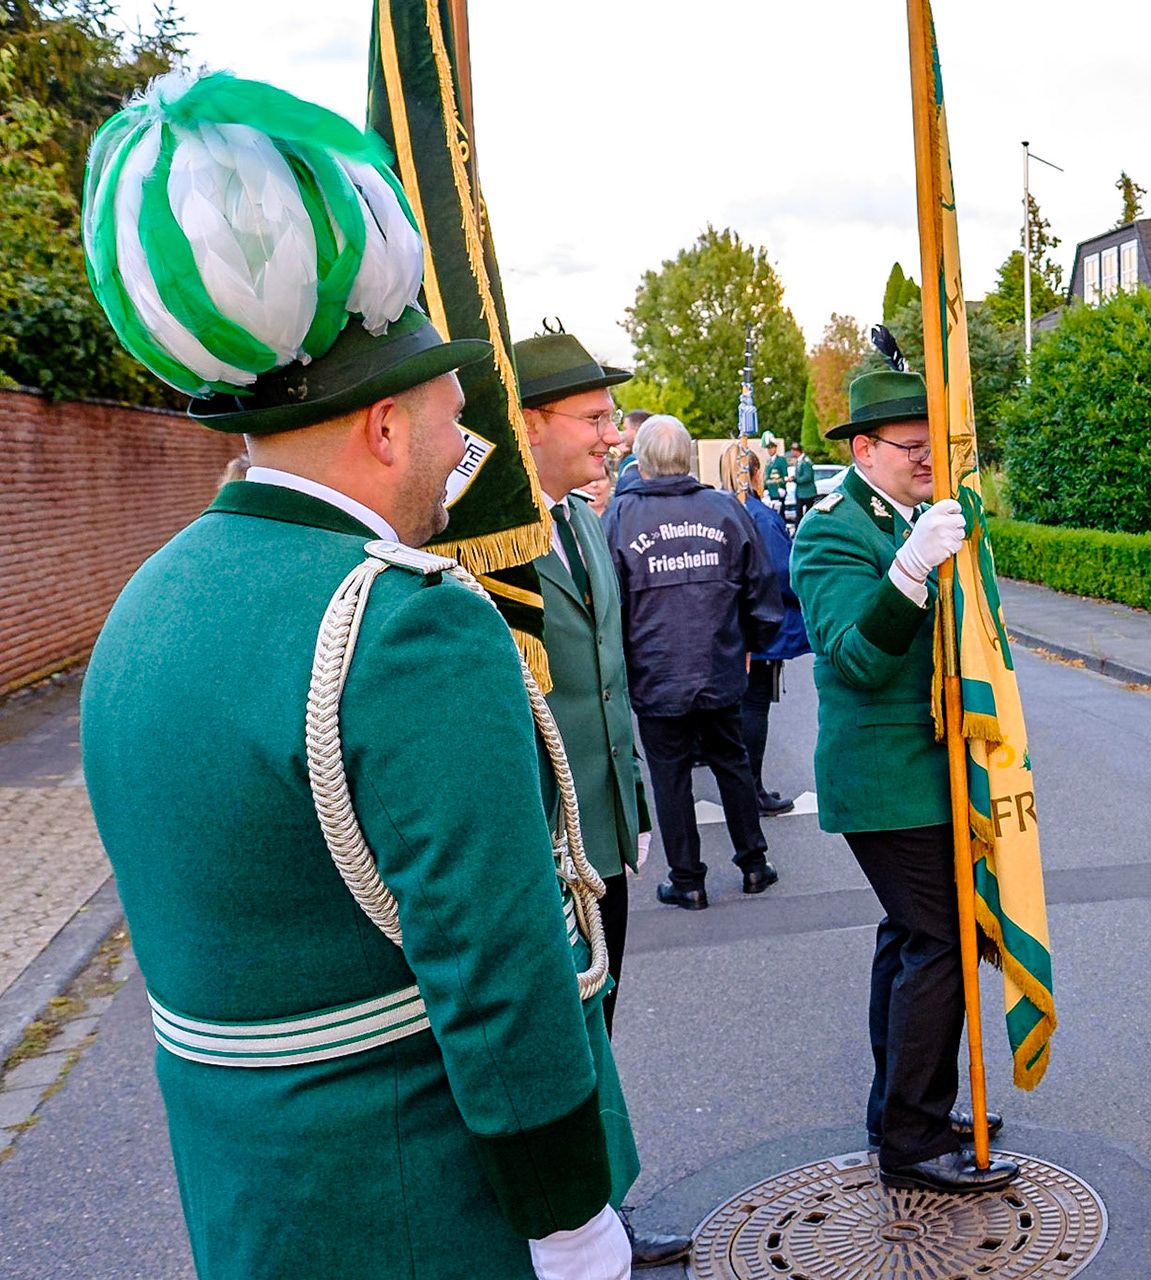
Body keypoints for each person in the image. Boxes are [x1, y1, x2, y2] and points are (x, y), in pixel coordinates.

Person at [77, 71, 634, 1280]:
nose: (459, 442)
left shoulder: (144, 605)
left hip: (259, 1208)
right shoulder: (403, 627)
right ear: (383, 425)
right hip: (424, 1208)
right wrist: (571, 1214)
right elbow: (497, 970)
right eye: (449, 407)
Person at [789, 369, 1016, 1195]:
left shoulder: (908, 514)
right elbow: (852, 654)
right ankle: (914, 1141)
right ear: (863, 449)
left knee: (908, 935)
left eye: (934, 445)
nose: (928, 461)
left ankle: (899, 1109)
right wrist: (909, 572)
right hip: (884, 778)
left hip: (929, 770)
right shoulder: (832, 531)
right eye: (912, 448)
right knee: (943, 942)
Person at [516, 330, 690, 1270]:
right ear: (529, 422)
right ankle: (563, 1231)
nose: (614, 436)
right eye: (593, 418)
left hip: (605, 822)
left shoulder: (588, 521)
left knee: (603, 1015)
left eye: (613, 419)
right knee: (560, 1034)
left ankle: (600, 1216)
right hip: (541, 830)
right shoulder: (484, 541)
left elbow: (607, 673)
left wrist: (633, 801)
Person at [604, 415, 785, 910]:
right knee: (732, 763)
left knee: (671, 776)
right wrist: (753, 641)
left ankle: (688, 879)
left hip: (656, 672)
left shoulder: (619, 518)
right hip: (719, 666)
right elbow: (761, 585)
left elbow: (607, 603)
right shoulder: (724, 509)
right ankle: (754, 863)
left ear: (641, 462)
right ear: (688, 459)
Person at [736, 450, 811, 815]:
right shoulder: (760, 517)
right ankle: (752, 790)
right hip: (761, 629)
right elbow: (783, 573)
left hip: (732, 628)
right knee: (754, 708)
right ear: (752, 474)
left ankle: (746, 788)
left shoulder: (723, 509)